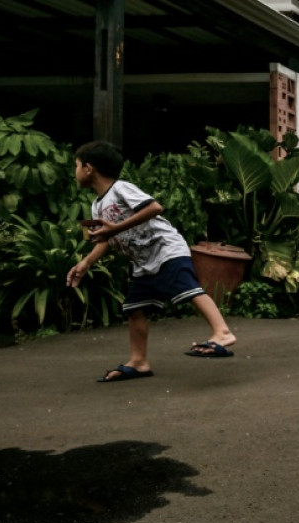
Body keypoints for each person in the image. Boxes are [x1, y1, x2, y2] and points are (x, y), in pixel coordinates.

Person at [66, 141, 236, 383]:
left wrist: (116, 227)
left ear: (89, 168)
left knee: (188, 289)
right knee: (134, 308)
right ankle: (139, 361)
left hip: (166, 248)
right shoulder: (97, 205)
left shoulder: (121, 189)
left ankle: (222, 332)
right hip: (143, 261)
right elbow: (107, 239)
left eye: (76, 166)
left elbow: (154, 207)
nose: (75, 172)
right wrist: (86, 263)